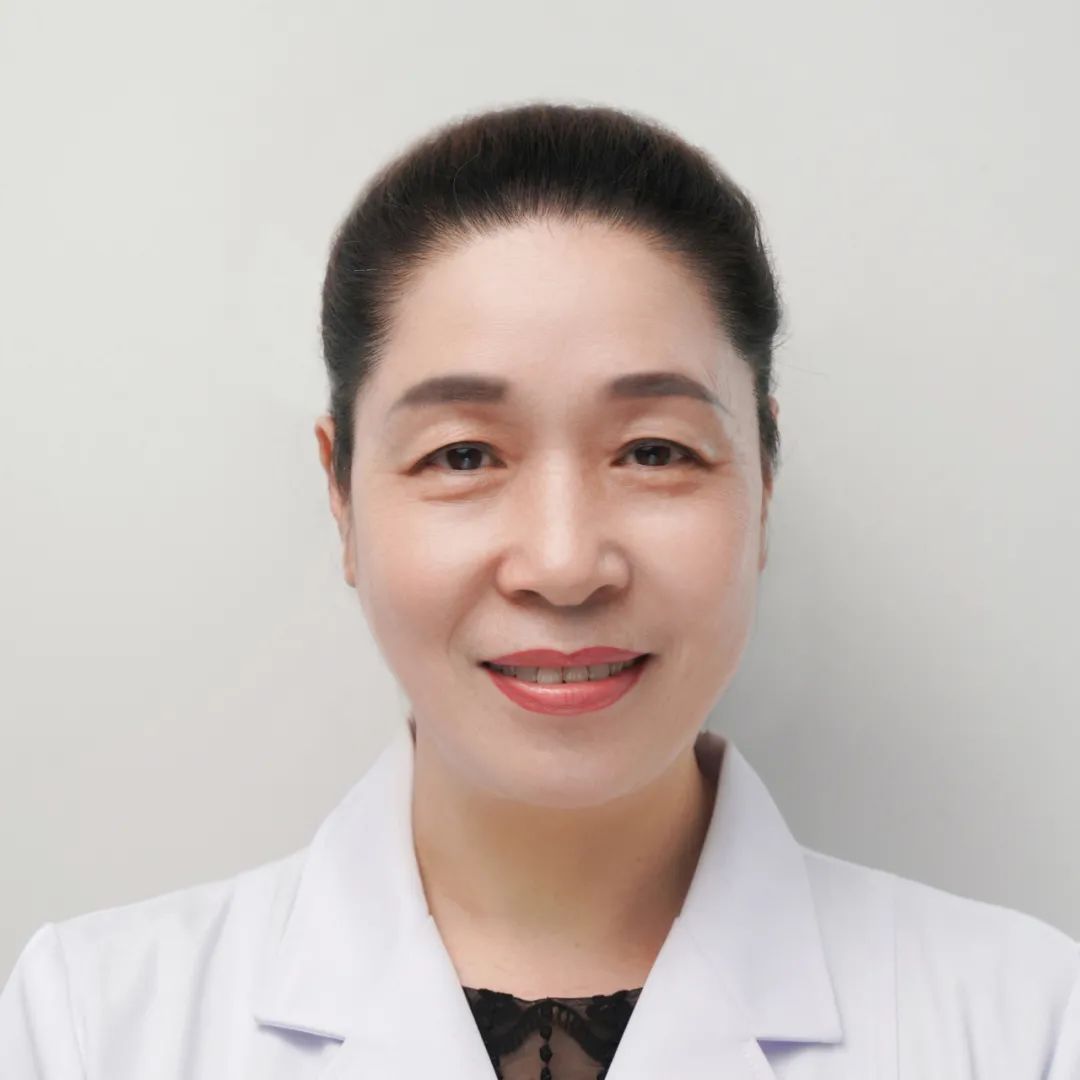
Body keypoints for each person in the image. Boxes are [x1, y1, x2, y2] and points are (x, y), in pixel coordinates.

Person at [2, 101, 1077, 1080]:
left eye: (654, 451)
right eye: (463, 456)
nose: (564, 565)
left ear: (763, 481)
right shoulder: (90, 1029)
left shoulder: (1023, 1027)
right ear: (341, 498)